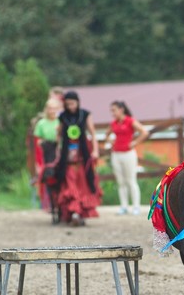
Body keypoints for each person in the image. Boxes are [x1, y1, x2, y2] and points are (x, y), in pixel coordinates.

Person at [55, 91, 102, 226]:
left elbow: (93, 133)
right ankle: (73, 212)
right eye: (68, 104)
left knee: (83, 184)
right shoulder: (63, 117)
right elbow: (58, 135)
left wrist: (95, 151)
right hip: (67, 157)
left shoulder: (85, 115)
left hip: (82, 156)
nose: (70, 106)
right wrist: (58, 151)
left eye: (72, 103)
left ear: (78, 102)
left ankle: (79, 213)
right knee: (70, 184)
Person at [104, 101, 149, 216]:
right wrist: (111, 142)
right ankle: (123, 206)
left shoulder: (130, 121)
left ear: (121, 109)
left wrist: (134, 143)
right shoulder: (114, 123)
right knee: (121, 181)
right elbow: (106, 134)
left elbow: (144, 132)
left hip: (128, 154)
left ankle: (136, 206)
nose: (112, 113)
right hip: (116, 154)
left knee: (131, 180)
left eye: (114, 110)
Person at [33, 98, 61, 220]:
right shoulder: (41, 124)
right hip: (47, 154)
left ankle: (61, 207)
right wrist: (38, 163)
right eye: (50, 108)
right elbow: (37, 143)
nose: (52, 111)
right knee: (49, 181)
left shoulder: (61, 122)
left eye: (54, 108)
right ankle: (51, 206)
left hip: (59, 153)